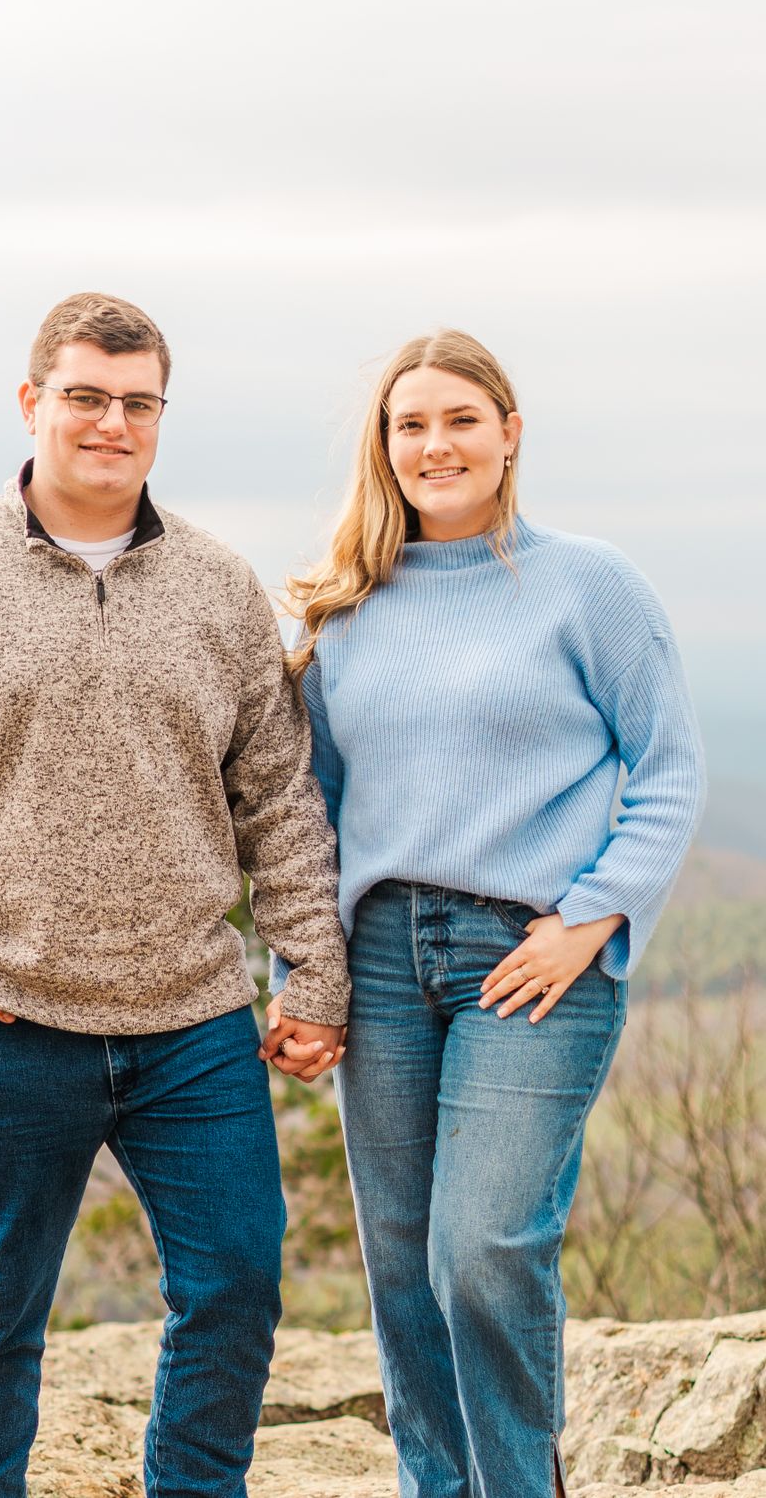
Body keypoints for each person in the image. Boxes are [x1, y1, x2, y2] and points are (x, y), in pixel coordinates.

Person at [0, 291, 349, 1498]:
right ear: (33, 403)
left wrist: (311, 971)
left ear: (161, 413)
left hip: (193, 1021)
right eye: (87, 397)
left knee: (235, 1290)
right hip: (2, 1020)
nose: (112, 422)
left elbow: (278, 799)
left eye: (137, 402)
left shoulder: (216, 587)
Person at [260, 329, 705, 1498]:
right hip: (382, 958)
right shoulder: (347, 608)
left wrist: (592, 917)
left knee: (482, 1249)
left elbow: (667, 772)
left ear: (510, 434)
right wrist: (302, 978)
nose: (435, 443)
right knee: (403, 1268)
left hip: (532, 955)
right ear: (385, 448)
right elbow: (312, 814)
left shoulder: (588, 584)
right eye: (411, 424)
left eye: (461, 418)